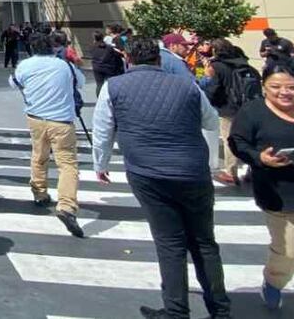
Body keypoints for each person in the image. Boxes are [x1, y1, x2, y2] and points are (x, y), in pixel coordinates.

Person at [92, 37, 230, 319]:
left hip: (148, 173)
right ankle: (220, 310)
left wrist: (101, 164)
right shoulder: (187, 85)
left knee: (170, 242)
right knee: (204, 242)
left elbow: (103, 130)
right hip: (193, 170)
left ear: (128, 59)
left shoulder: (114, 87)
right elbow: (210, 121)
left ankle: (176, 311)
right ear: (159, 58)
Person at [230, 69, 294, 316]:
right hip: (279, 196)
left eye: (291, 87)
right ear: (264, 88)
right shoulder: (253, 112)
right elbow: (238, 142)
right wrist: (260, 158)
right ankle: (273, 281)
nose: (285, 92)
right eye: (276, 87)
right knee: (290, 253)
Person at [9, 32, 84, 237]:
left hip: (36, 117)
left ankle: (39, 192)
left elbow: (14, 83)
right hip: (61, 120)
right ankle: (67, 205)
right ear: (51, 47)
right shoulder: (64, 66)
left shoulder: (25, 65)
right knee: (67, 163)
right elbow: (80, 82)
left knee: (39, 155)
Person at [203, 38, 262, 185]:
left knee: (230, 139)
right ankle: (251, 169)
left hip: (228, 108)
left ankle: (231, 171)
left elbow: (213, 88)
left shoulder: (217, 66)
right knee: (247, 138)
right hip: (248, 106)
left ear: (215, 50)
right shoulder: (244, 63)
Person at [90, 31, 125, 96]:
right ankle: (111, 96)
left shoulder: (92, 47)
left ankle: (99, 98)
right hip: (108, 68)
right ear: (103, 37)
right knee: (111, 83)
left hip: (97, 68)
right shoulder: (109, 47)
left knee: (99, 84)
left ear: (94, 38)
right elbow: (118, 55)